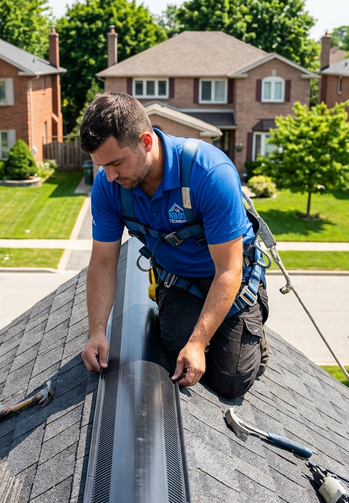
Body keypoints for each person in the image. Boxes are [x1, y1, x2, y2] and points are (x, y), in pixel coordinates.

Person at [79, 92, 268, 399]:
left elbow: (228, 269)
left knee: (230, 381)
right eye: (102, 166)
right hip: (179, 280)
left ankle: (250, 327)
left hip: (229, 277)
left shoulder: (207, 173)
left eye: (115, 163)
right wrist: (97, 332)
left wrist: (198, 341)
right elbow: (102, 262)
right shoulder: (109, 185)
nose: (109, 176)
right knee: (178, 361)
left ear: (146, 141)